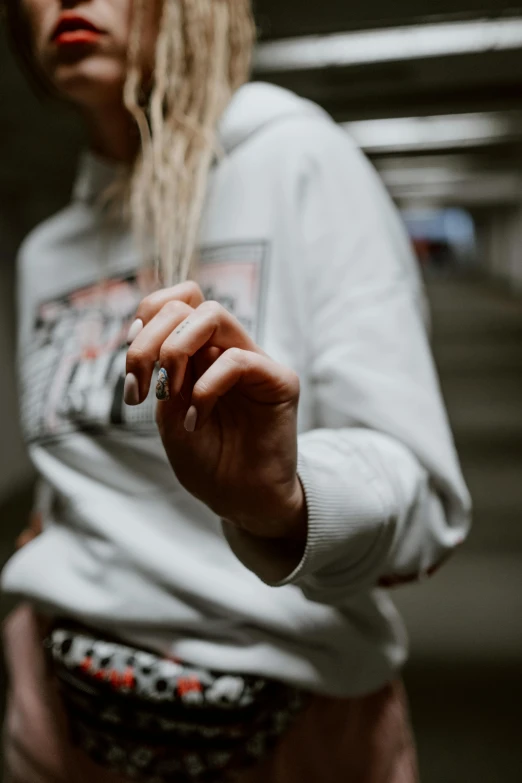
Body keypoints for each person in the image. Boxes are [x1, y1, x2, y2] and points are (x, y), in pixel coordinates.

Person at [1, 1, 471, 781]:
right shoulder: (48, 251)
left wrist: (282, 500)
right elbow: (81, 460)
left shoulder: (300, 163)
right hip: (63, 715)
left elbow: (420, 500)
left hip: (283, 726)